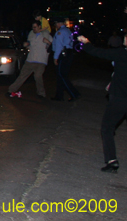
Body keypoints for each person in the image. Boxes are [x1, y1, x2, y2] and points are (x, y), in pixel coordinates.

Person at [80, 33, 127, 173]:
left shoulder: (121, 53)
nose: (124, 37)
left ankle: (112, 161)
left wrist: (86, 42)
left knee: (107, 127)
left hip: (120, 98)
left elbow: (99, 52)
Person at [8, 21, 52, 98]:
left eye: (35, 27)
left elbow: (52, 46)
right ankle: (11, 90)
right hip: (30, 59)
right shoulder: (32, 35)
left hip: (40, 60)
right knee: (22, 75)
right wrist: (26, 45)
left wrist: (48, 42)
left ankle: (41, 93)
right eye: (33, 27)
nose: (33, 29)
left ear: (39, 27)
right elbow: (29, 45)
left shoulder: (46, 35)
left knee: (38, 76)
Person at [52, 18, 80, 101]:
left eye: (56, 23)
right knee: (60, 76)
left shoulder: (60, 32)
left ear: (58, 23)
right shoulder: (68, 31)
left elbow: (59, 46)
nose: (55, 25)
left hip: (63, 54)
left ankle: (74, 93)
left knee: (61, 75)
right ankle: (59, 95)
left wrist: (55, 57)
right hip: (68, 53)